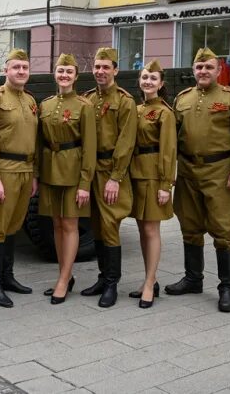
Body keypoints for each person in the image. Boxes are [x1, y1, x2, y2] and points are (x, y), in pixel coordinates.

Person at [165, 47, 230, 313]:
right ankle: (193, 279)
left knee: (223, 230)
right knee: (189, 226)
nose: (203, 72)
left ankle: (226, 288)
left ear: (218, 70)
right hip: (188, 171)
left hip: (220, 172)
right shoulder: (183, 99)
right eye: (199, 67)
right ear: (194, 70)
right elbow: (171, 137)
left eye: (209, 68)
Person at [0, 48, 39, 308]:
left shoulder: (30, 101)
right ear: (6, 70)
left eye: (25, 68)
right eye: (16, 67)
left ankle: (8, 276)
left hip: (25, 172)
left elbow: (34, 140)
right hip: (3, 169)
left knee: (14, 225)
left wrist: (34, 174)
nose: (21, 72)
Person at [80, 47, 137, 308]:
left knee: (111, 225)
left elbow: (126, 142)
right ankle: (103, 278)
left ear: (115, 70)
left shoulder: (125, 101)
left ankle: (113, 283)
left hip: (111, 171)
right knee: (97, 225)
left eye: (106, 67)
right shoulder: (88, 99)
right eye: (97, 67)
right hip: (91, 170)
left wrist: (116, 177)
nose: (100, 71)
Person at [38, 53, 96, 304]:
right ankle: (65, 274)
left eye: (69, 72)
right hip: (50, 170)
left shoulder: (84, 106)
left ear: (75, 77)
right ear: (55, 73)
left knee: (70, 224)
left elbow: (89, 147)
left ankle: (64, 278)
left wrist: (85, 183)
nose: (64, 75)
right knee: (57, 225)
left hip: (73, 171)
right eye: (60, 71)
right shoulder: (46, 105)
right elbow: (39, 142)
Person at [128, 60, 176, 309]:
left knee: (151, 231)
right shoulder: (135, 110)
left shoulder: (164, 113)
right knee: (141, 232)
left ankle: (149, 283)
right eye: (145, 77)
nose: (148, 81)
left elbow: (168, 151)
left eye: (153, 78)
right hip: (135, 176)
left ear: (161, 83)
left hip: (154, 177)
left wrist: (165, 185)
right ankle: (150, 279)